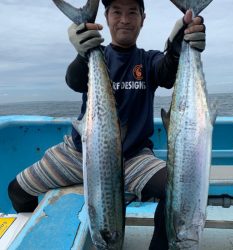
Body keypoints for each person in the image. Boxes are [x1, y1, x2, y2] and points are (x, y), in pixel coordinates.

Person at [8, 0, 206, 248]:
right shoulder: (95, 55)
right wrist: (82, 54)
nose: (124, 19)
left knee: (176, 189)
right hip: (82, 153)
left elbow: (167, 72)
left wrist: (178, 46)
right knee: (17, 190)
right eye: (117, 12)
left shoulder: (148, 60)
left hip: (134, 157)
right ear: (106, 17)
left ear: (143, 19)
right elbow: (75, 80)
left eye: (132, 12)